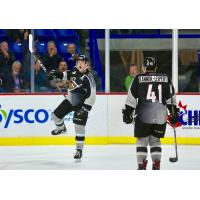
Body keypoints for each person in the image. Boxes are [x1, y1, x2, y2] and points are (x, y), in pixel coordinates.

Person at [122, 57, 180, 170]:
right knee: (155, 140)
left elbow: (131, 97)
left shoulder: (138, 78)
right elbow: (171, 98)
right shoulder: (165, 78)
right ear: (156, 67)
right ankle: (156, 163)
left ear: (143, 67)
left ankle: (141, 164)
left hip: (143, 115)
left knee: (142, 140)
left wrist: (128, 113)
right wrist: (173, 114)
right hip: (160, 116)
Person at [47, 55, 96, 160]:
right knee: (55, 116)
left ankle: (79, 150)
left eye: (82, 62)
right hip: (70, 101)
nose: (80, 64)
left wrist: (85, 108)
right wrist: (55, 73)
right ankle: (61, 128)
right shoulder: (73, 71)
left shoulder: (89, 77)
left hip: (82, 105)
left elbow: (92, 96)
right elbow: (65, 75)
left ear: (87, 65)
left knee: (79, 126)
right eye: (78, 61)